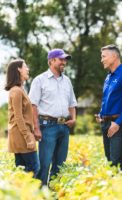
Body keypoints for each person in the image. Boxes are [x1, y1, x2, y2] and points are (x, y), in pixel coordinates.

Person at [29, 48, 77, 185]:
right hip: (46, 126)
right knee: (44, 164)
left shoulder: (67, 81)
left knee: (60, 164)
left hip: (64, 126)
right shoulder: (39, 80)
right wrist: (36, 128)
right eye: (61, 59)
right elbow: (33, 105)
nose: (64, 62)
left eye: (65, 60)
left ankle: (55, 192)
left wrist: (73, 118)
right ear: (51, 61)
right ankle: (41, 194)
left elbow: (72, 103)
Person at [95, 44, 122, 171]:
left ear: (114, 56)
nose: (101, 60)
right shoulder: (108, 77)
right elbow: (107, 100)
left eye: (104, 56)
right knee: (110, 162)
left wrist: (117, 123)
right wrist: (101, 115)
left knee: (117, 162)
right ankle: (114, 189)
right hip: (106, 124)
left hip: (119, 124)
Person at [5, 59, 39, 177]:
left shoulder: (18, 90)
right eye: (25, 67)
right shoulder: (17, 91)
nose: (28, 69)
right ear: (19, 69)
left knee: (22, 171)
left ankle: (19, 194)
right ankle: (30, 195)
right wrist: (28, 137)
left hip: (19, 135)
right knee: (34, 168)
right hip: (22, 136)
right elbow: (18, 117)